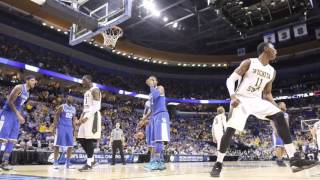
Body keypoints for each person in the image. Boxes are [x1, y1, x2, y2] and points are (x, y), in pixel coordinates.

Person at [210, 42, 318, 177]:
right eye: (274, 48)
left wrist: (276, 106)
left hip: (257, 101)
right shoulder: (249, 62)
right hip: (241, 99)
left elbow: (267, 94)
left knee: (279, 115)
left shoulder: (272, 71)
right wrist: (232, 96)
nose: (276, 51)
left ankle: (294, 158)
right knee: (230, 129)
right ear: (266, 49)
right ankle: (218, 163)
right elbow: (230, 80)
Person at [0, 75, 37, 170]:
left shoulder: (27, 93)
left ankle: (5, 162)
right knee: (1, 138)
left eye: (35, 81)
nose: (34, 82)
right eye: (32, 80)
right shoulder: (19, 87)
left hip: (15, 117)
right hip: (7, 114)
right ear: (27, 80)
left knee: (12, 140)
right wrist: (18, 114)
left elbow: (19, 105)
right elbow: (10, 101)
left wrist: (20, 116)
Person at [144, 76, 170, 170]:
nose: (151, 81)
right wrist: (144, 119)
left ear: (157, 81)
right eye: (150, 79)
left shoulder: (160, 88)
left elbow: (155, 95)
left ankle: (158, 162)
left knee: (159, 139)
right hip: (155, 116)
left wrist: (151, 85)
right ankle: (159, 162)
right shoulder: (151, 93)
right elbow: (152, 109)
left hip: (162, 115)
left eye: (153, 79)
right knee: (155, 140)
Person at [77, 75, 102, 172]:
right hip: (86, 115)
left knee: (89, 139)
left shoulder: (95, 90)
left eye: (83, 80)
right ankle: (92, 160)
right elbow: (85, 107)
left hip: (93, 116)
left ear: (88, 80)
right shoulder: (87, 92)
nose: (82, 82)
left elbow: (96, 106)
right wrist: (81, 118)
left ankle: (89, 163)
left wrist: (86, 117)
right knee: (81, 138)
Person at [52, 96, 77, 169]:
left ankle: (68, 163)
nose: (70, 98)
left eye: (72, 98)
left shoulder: (74, 109)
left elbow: (73, 120)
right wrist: (54, 127)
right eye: (69, 97)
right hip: (61, 127)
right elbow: (56, 116)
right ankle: (55, 162)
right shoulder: (62, 107)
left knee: (70, 146)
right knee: (57, 145)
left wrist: (75, 129)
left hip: (69, 128)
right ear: (66, 99)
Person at [271, 102, 289, 166]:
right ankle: (279, 160)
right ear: (279, 106)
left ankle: (280, 159)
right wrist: (275, 129)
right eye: (283, 104)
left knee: (283, 146)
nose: (285, 105)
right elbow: (271, 121)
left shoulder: (286, 114)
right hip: (278, 131)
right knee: (279, 145)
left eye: (285, 104)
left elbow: (287, 124)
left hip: (284, 131)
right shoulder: (275, 112)